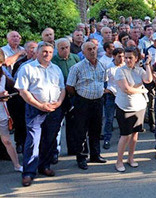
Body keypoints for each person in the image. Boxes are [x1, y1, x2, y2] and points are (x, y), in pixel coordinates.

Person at [15, 42, 65, 187]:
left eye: (50, 52)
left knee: (50, 140)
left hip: (54, 109)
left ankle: (44, 166)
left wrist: (59, 103)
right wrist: (40, 105)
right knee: (33, 141)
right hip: (35, 109)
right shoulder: (27, 68)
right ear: (37, 52)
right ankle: (29, 173)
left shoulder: (56, 69)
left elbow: (62, 88)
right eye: (44, 51)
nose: (47, 54)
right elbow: (23, 91)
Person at [66, 41, 108, 170]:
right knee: (81, 131)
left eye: (94, 48)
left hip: (97, 102)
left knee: (96, 129)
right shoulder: (77, 68)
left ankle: (95, 155)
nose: (92, 51)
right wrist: (79, 97)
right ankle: (82, 157)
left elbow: (103, 82)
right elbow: (69, 87)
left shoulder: (101, 65)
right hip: (83, 102)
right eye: (89, 49)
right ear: (83, 52)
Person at [114, 47, 153, 172]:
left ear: (136, 59)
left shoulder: (139, 70)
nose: (127, 60)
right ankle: (119, 161)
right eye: (126, 57)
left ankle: (130, 158)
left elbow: (148, 80)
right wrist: (141, 90)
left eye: (130, 58)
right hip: (125, 107)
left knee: (135, 134)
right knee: (125, 135)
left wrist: (147, 64)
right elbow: (126, 89)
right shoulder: (120, 71)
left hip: (139, 106)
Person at [0, 50, 22, 173]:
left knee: (7, 140)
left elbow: (12, 86)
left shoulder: (3, 75)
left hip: (2, 112)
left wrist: (6, 95)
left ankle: (17, 165)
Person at [102, 48, 125, 150]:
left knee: (122, 118)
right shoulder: (109, 67)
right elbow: (104, 81)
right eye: (119, 56)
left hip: (122, 95)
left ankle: (123, 138)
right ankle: (107, 138)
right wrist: (106, 90)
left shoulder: (125, 67)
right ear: (114, 56)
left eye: (123, 56)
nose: (121, 59)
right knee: (109, 119)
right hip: (111, 96)